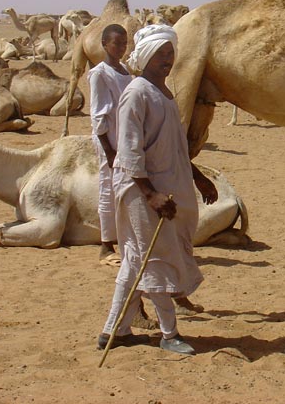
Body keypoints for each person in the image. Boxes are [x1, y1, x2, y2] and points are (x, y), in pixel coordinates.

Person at [98, 24, 209, 355]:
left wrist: (197, 176)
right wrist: (150, 194)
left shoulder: (163, 93)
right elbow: (130, 151)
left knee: (135, 260)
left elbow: (174, 147)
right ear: (145, 55)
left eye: (170, 52)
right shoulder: (137, 93)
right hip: (139, 189)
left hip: (164, 187)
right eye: (160, 52)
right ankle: (169, 333)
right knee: (156, 259)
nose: (168, 58)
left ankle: (112, 331)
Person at [87, 24, 132, 266]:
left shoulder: (125, 71)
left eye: (124, 43)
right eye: (117, 43)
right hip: (110, 139)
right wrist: (109, 149)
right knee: (108, 187)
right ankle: (106, 245)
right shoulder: (100, 73)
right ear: (105, 44)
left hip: (126, 137)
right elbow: (98, 114)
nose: (121, 48)